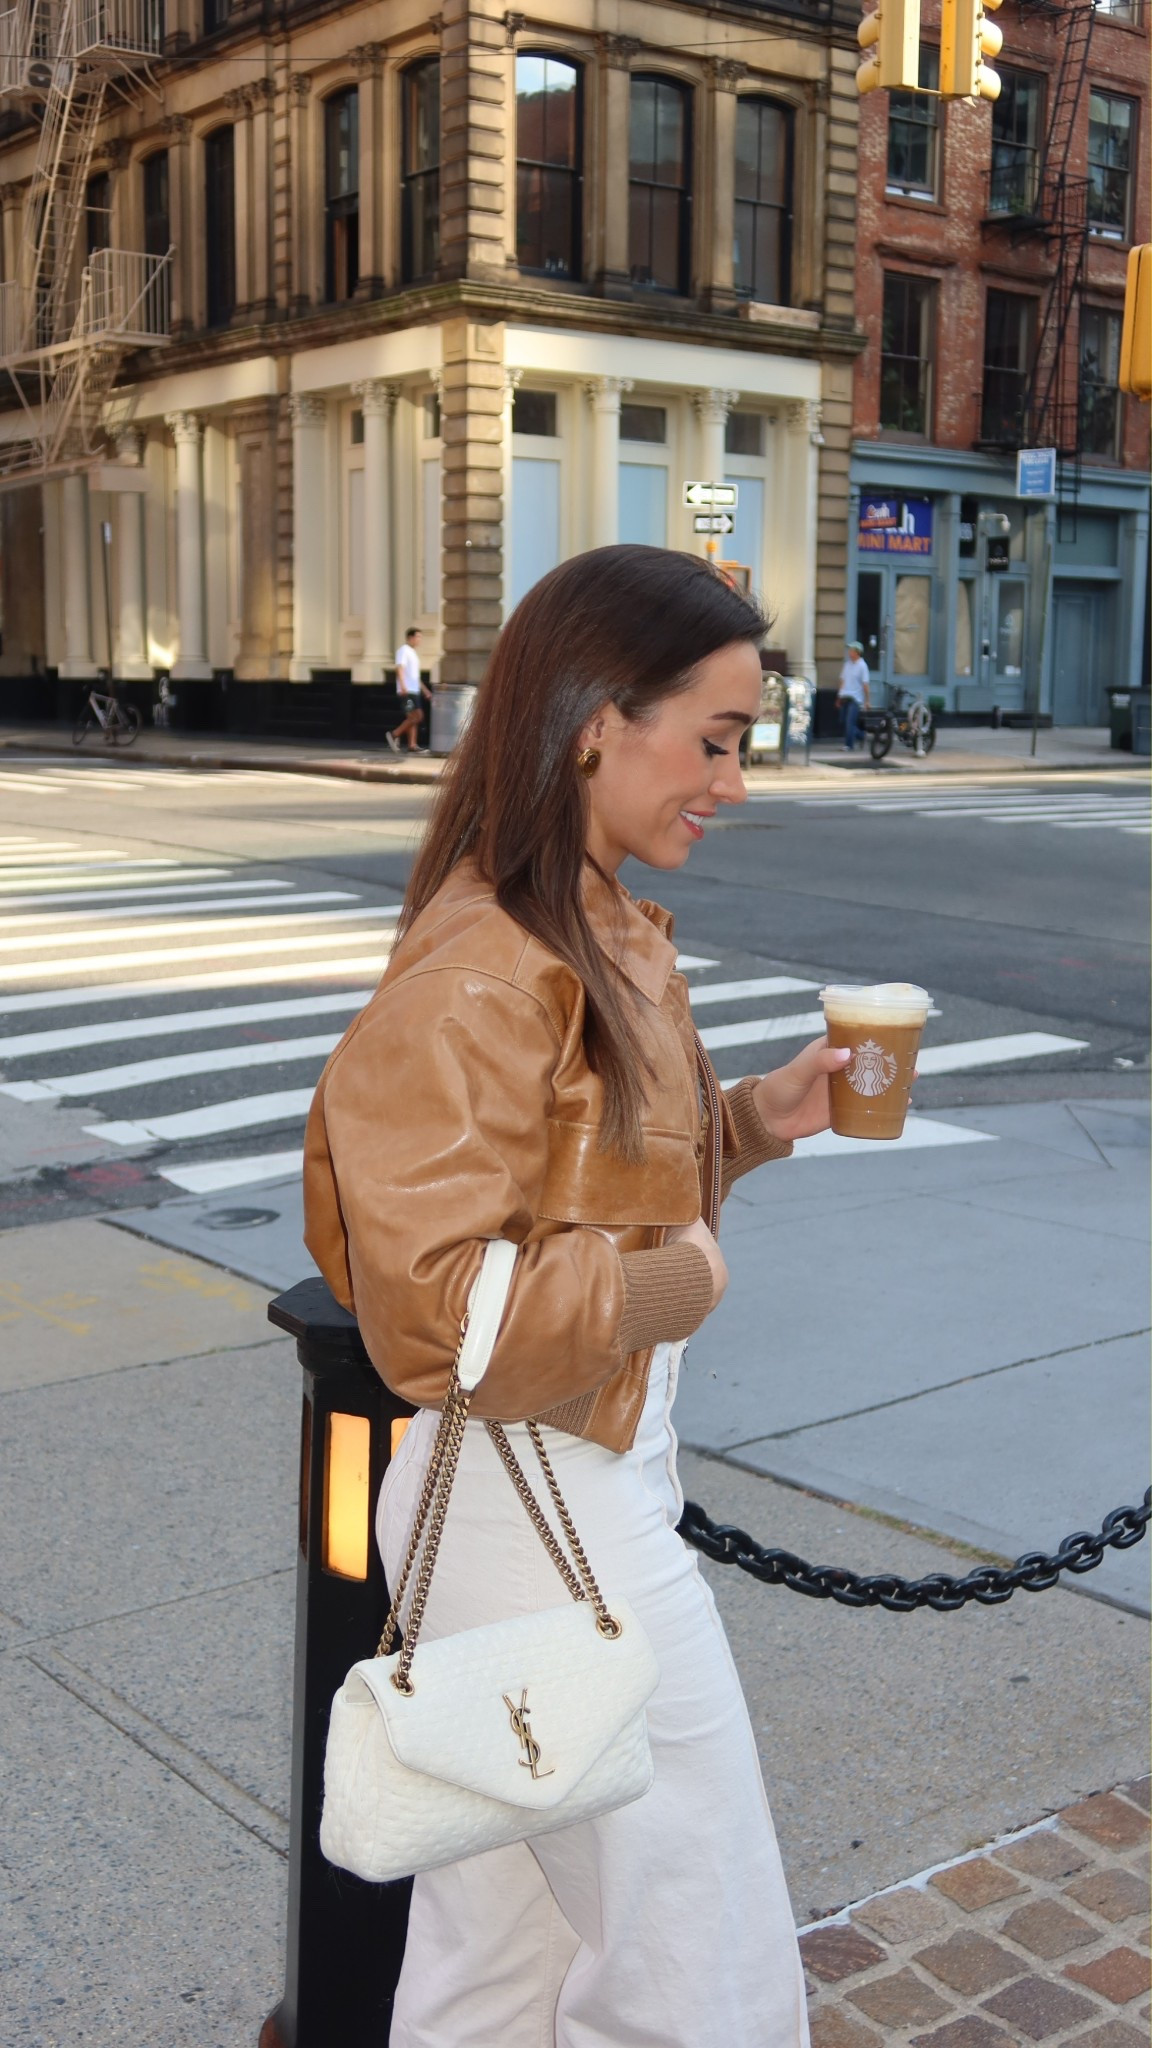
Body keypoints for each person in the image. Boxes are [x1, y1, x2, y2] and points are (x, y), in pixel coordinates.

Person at [305, 545, 851, 2048]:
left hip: (537, 1507)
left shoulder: (580, 923)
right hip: (542, 1514)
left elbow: (566, 1184)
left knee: (501, 1960)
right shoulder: (492, 967)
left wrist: (749, 1121)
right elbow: (435, 1310)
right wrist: (673, 1282)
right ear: (599, 721)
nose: (732, 783)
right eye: (719, 741)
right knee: (702, 1965)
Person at [388, 627, 431, 752]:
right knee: (416, 716)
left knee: (413, 718)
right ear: (410, 637)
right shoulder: (403, 650)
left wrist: (425, 690)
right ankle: (394, 734)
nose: (420, 640)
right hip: (406, 690)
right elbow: (400, 668)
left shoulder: (413, 653)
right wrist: (402, 686)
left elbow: (415, 676)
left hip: (415, 690)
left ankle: (412, 745)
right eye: (418, 637)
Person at [837, 638, 870, 751]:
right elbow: (842, 680)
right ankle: (861, 735)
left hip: (855, 699)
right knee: (843, 722)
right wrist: (839, 697)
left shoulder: (862, 666)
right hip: (845, 697)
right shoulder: (847, 665)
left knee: (849, 722)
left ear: (857, 652)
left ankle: (849, 745)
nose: (849, 652)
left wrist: (867, 701)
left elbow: (865, 685)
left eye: (851, 650)